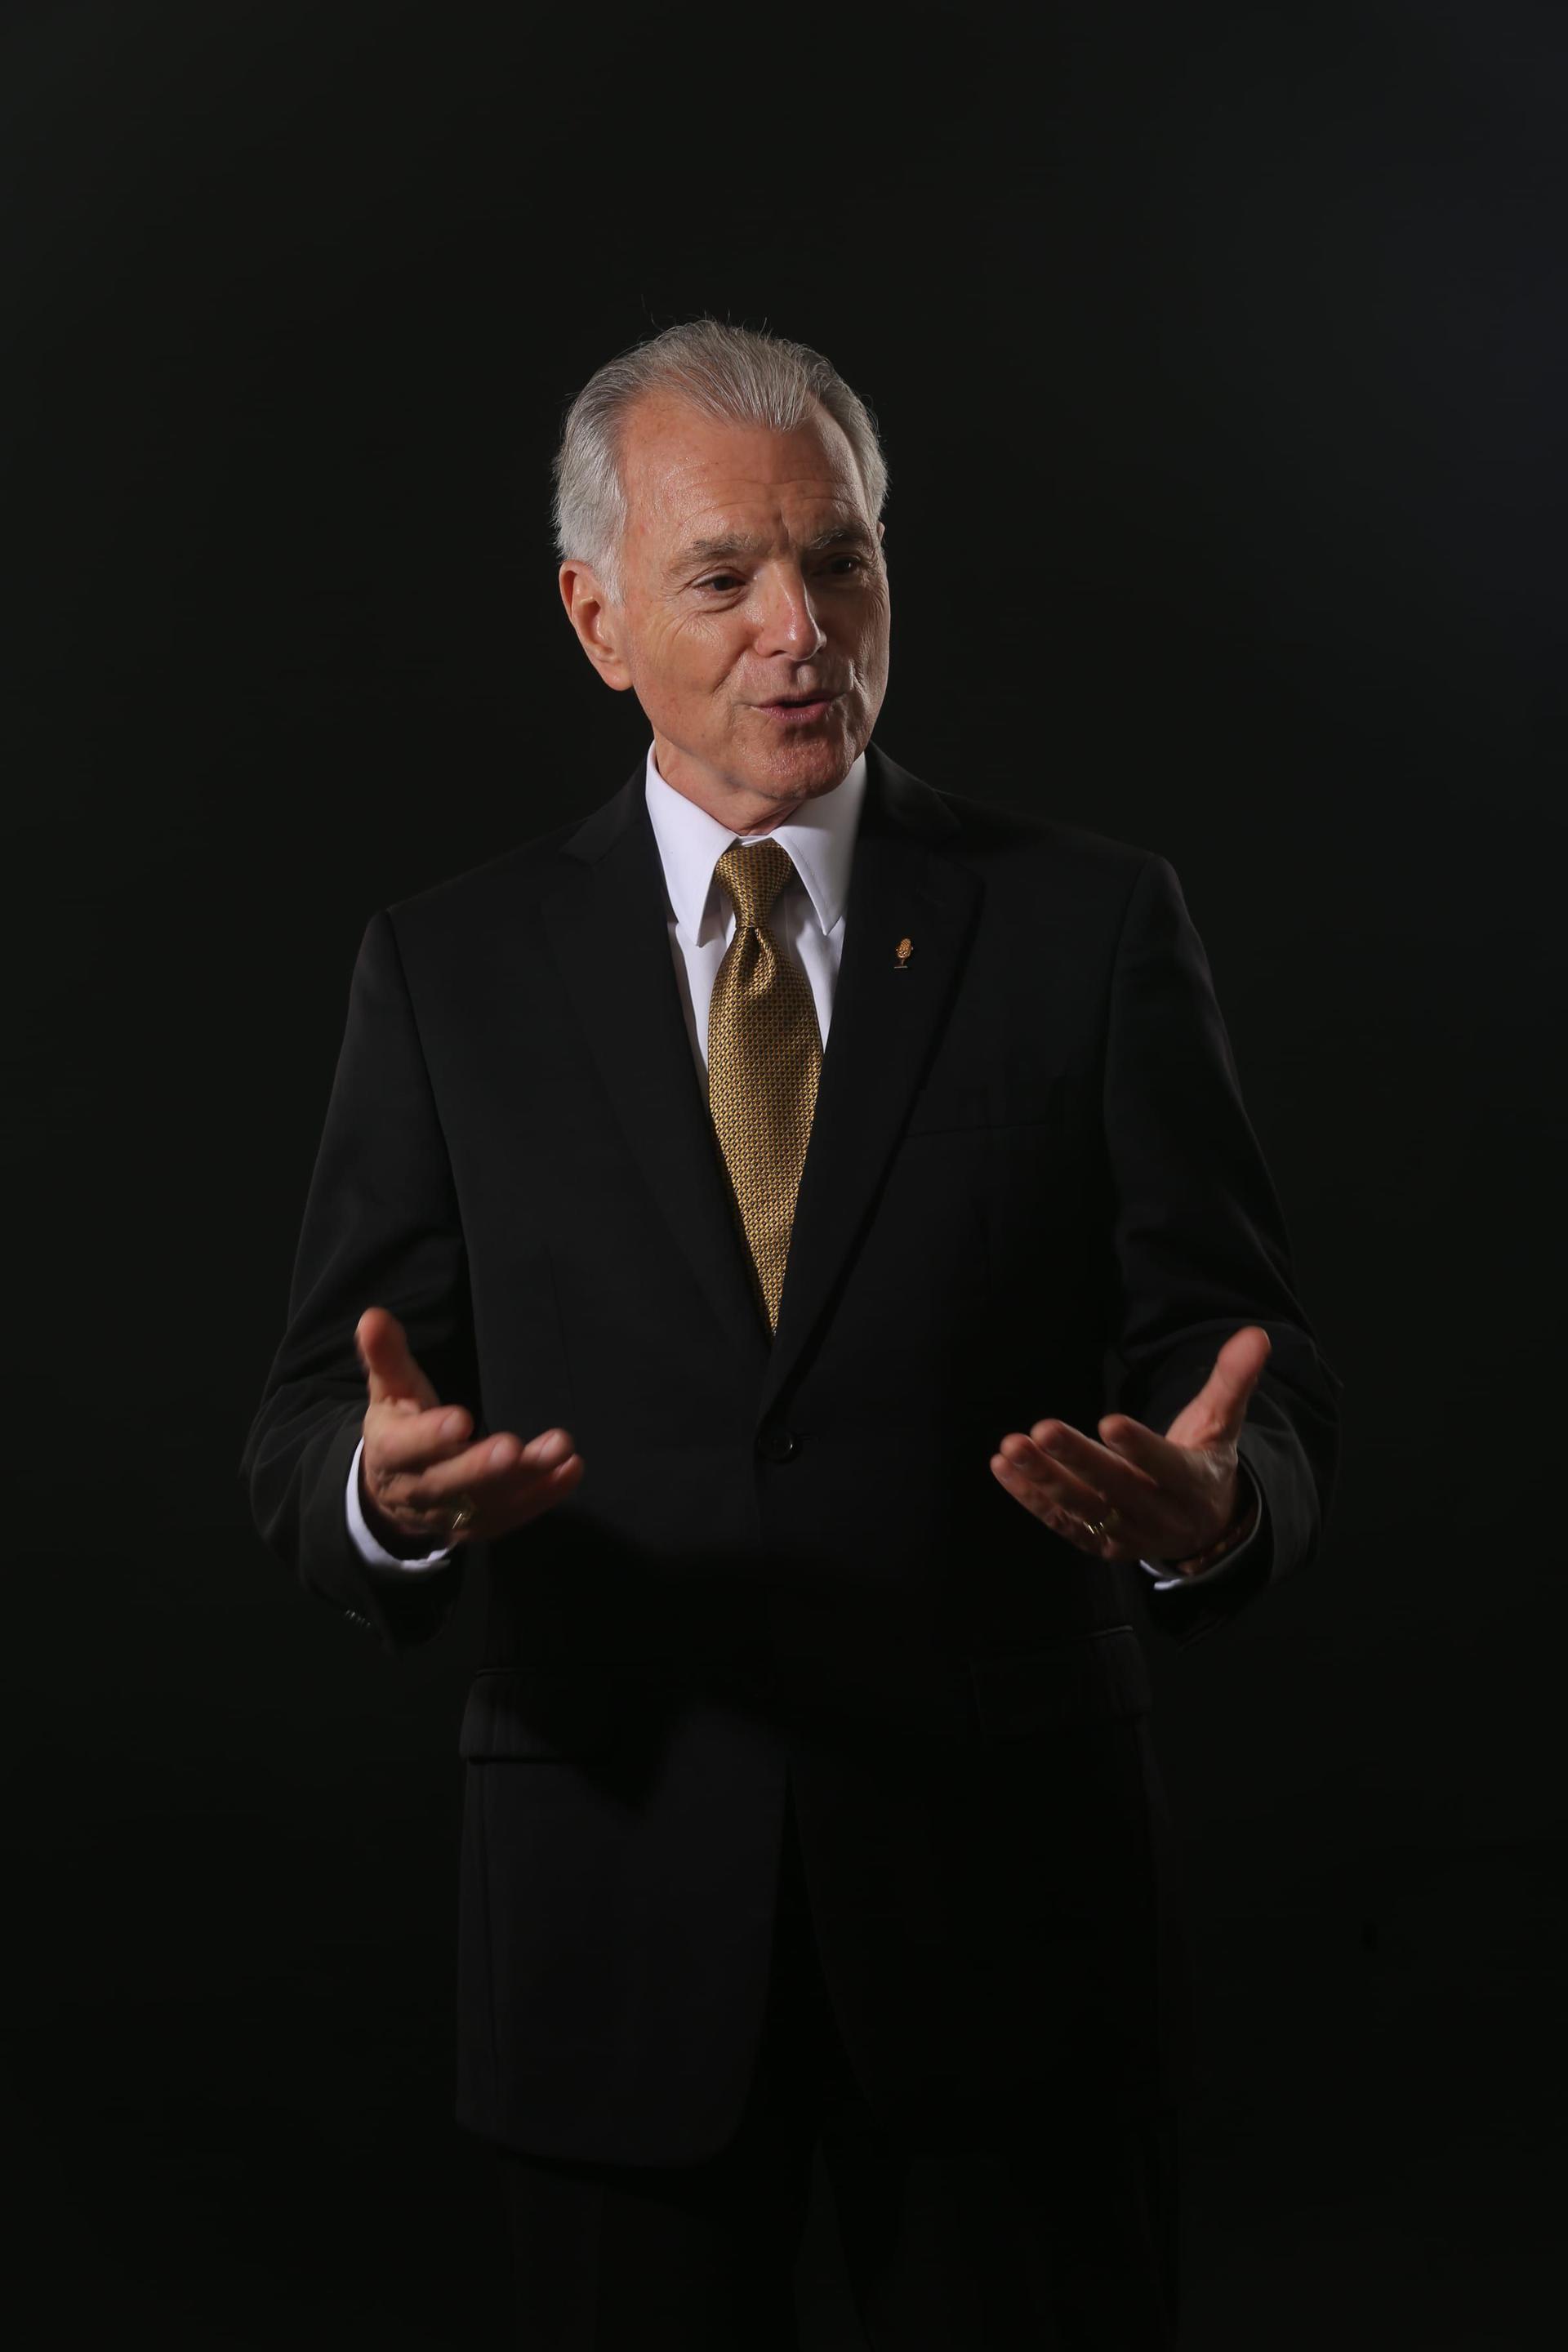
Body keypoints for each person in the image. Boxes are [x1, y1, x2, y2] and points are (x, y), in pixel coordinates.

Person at [240, 318, 1342, 2348]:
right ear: (597, 617)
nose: (801, 626)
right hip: (612, 1924)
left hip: (1017, 1941)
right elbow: (314, 1418)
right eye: (723, 576)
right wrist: (380, 1496)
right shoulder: (451, 969)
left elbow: (1253, 1375)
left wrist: (1209, 1511)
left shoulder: (1091, 926)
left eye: (841, 560)